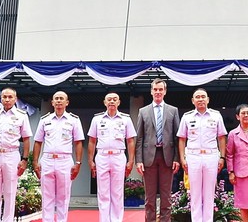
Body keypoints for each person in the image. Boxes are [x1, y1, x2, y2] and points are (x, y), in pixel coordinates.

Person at [32, 91, 85, 222]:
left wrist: (78, 163)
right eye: (56, 99)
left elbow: (78, 142)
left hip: (65, 160)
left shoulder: (73, 120)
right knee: (47, 196)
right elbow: (38, 142)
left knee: (63, 197)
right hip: (47, 160)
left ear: (67, 102)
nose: (59, 101)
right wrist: (35, 161)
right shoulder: (45, 120)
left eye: (62, 99)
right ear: (52, 102)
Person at [0, 88, 33, 222]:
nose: (7, 99)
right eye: (4, 97)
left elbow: (26, 139)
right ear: (1, 99)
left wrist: (25, 160)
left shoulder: (21, 115)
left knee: (10, 192)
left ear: (15, 99)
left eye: (10, 97)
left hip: (11, 155)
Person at [177, 88, 227, 222]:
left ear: (208, 99)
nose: (200, 99)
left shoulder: (216, 116)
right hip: (193, 157)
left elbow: (222, 137)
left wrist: (222, 157)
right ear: (193, 101)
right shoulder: (187, 117)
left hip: (211, 156)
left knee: (209, 193)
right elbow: (182, 139)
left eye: (203, 97)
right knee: (195, 194)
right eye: (197, 97)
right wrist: (182, 158)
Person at [135, 78, 180, 222]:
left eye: (161, 89)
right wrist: (139, 160)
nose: (158, 92)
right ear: (151, 91)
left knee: (166, 197)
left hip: (167, 157)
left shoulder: (173, 110)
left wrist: (176, 159)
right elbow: (139, 138)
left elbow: (177, 136)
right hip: (149, 158)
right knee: (150, 197)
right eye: (155, 89)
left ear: (165, 91)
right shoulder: (143, 111)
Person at [87, 92, 136, 222]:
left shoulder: (126, 119)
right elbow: (92, 141)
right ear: (105, 102)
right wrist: (90, 160)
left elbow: (130, 141)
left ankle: (116, 220)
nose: (112, 102)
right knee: (103, 192)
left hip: (118, 156)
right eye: (109, 99)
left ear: (119, 102)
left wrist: (131, 161)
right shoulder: (97, 119)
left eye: (115, 99)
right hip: (102, 156)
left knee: (117, 192)